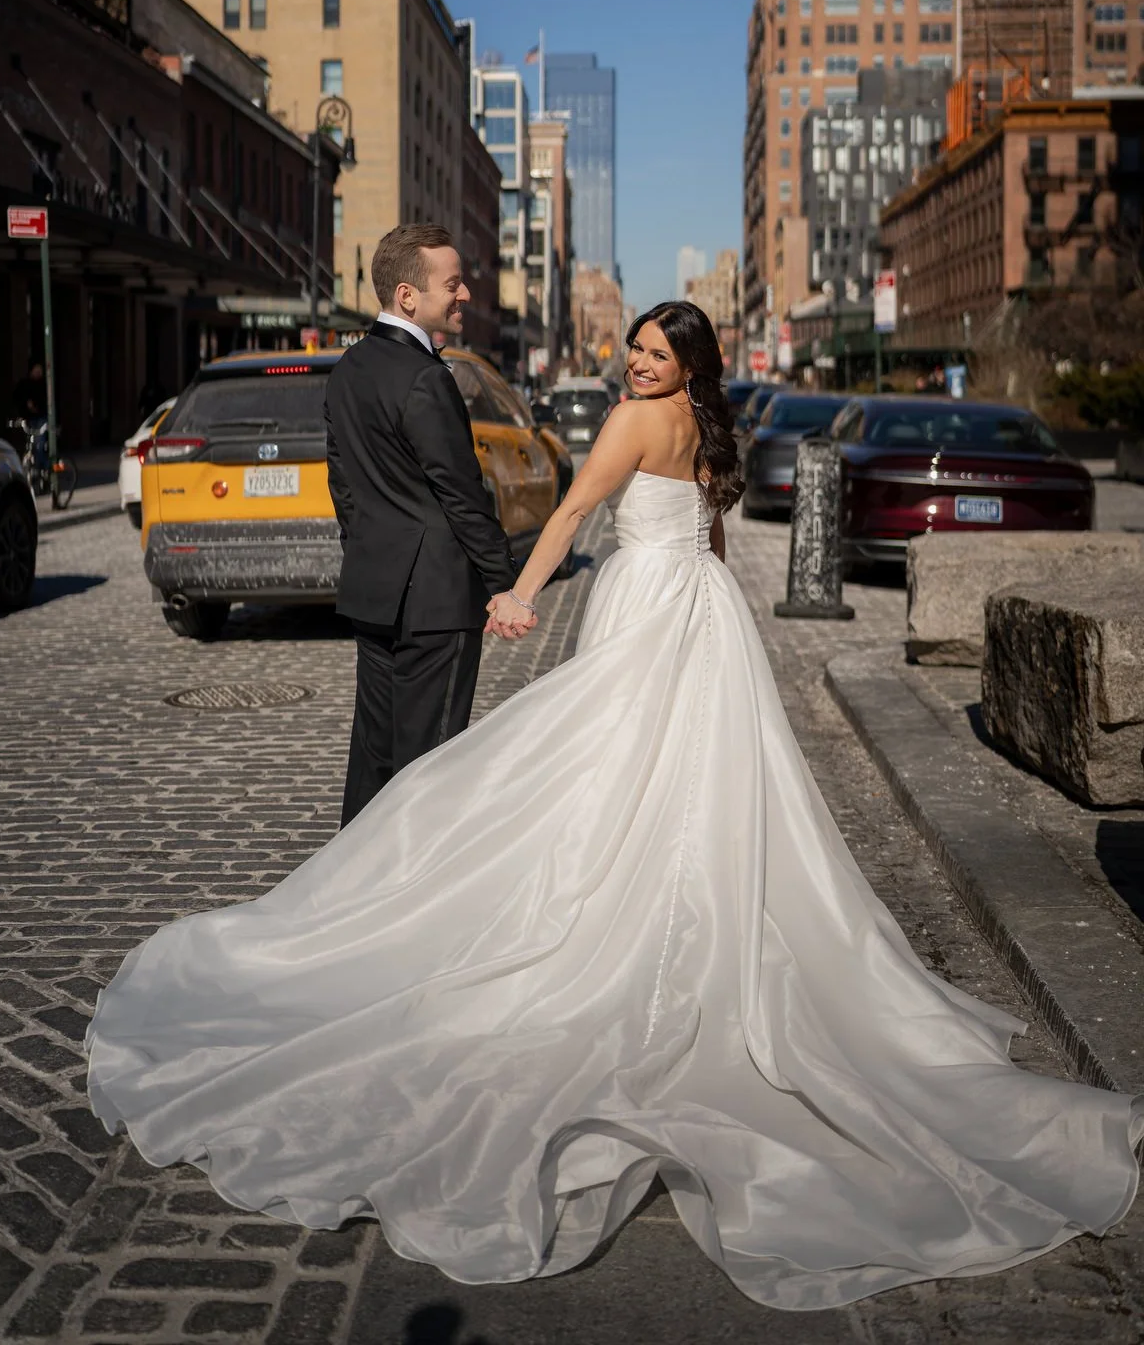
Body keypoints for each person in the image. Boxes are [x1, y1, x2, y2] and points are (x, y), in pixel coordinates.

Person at [84, 300, 1141, 1312]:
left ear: (687, 366)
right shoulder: (708, 427)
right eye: (634, 348)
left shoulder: (638, 421)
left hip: (646, 604)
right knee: (701, 776)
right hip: (702, 610)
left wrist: (519, 593)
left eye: (654, 353)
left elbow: (574, 510)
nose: (637, 363)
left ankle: (601, 916)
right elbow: (709, 537)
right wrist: (703, 598)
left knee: (607, 763)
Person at [323, 225, 534, 828]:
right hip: (437, 604)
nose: (464, 294)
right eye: (453, 284)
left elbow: (343, 489)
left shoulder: (348, 369)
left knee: (374, 765)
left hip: (375, 593)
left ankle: (355, 876)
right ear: (408, 296)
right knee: (431, 771)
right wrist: (506, 586)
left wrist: (369, 556)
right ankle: (415, 883)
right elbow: (463, 495)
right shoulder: (426, 377)